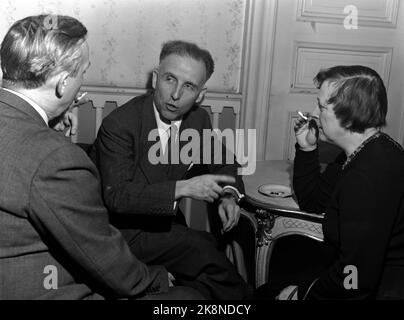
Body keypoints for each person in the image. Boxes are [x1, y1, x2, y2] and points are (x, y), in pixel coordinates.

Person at [0, 14, 202, 300]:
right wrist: (157, 278)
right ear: (63, 83)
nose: (83, 80)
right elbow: (101, 256)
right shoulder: (56, 159)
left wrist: (46, 130)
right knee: (189, 300)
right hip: (41, 286)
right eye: (83, 72)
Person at [91, 40, 249, 300]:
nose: (175, 95)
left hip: (163, 226)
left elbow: (223, 160)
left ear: (200, 95)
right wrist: (183, 188)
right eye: (169, 79)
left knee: (205, 264)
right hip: (119, 233)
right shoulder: (120, 124)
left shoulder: (197, 119)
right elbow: (117, 196)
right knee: (202, 248)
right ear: (155, 79)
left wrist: (229, 194)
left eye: (188, 86)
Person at [277, 65, 404, 300]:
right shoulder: (363, 151)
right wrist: (307, 148)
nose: (313, 113)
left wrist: (302, 295)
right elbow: (313, 201)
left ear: (349, 114)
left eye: (322, 106)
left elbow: (356, 277)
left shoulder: (366, 178)